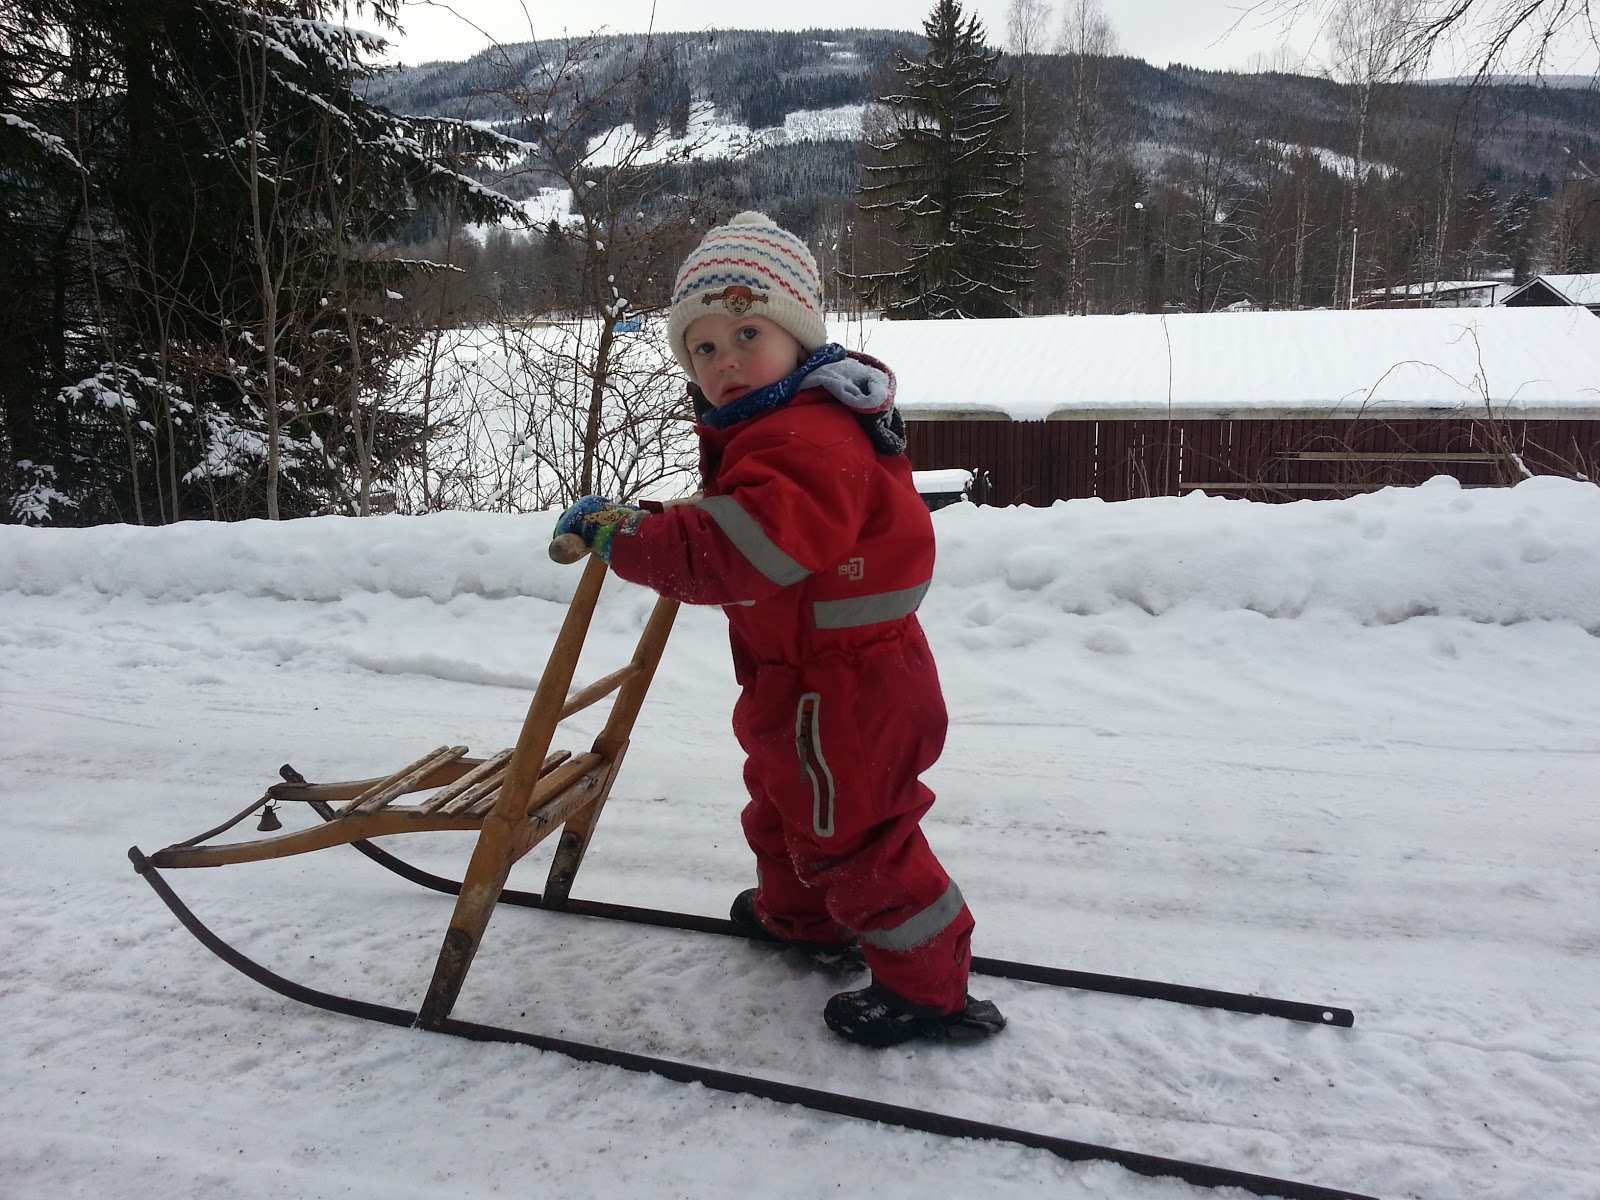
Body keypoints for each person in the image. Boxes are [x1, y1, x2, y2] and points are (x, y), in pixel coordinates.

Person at [553, 211, 1004, 1048]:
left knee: (857, 837)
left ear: (800, 336)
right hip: (802, 677)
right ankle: (802, 918)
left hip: (847, 686)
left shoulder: (809, 437)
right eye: (702, 348)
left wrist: (632, 538)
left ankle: (928, 988)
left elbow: (739, 549)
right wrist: (654, 520)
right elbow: (737, 514)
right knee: (784, 804)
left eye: (747, 334)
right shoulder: (778, 425)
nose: (723, 361)